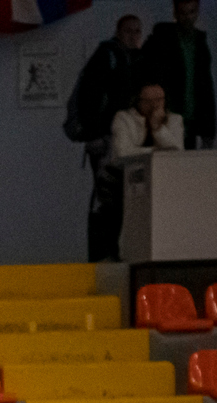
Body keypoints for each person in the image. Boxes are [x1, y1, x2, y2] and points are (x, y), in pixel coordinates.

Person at [70, 14, 150, 262]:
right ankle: (102, 254)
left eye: (137, 31)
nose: (133, 36)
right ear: (118, 32)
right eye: (128, 31)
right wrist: (94, 135)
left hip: (127, 136)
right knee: (107, 197)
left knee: (123, 197)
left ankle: (114, 252)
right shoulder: (107, 56)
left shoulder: (138, 59)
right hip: (105, 138)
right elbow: (89, 96)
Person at [143, 0, 215, 149]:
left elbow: (205, 88)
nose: (187, 17)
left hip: (187, 121)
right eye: (183, 13)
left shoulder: (199, 43)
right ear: (175, 13)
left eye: (191, 12)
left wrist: (208, 129)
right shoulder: (161, 41)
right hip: (167, 119)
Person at [111, 81, 186, 160]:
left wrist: (158, 128)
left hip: (165, 165)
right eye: (148, 101)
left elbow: (178, 151)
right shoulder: (123, 118)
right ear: (138, 102)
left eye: (158, 100)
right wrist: (156, 151)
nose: (154, 105)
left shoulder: (175, 119)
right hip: (130, 166)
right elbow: (123, 152)